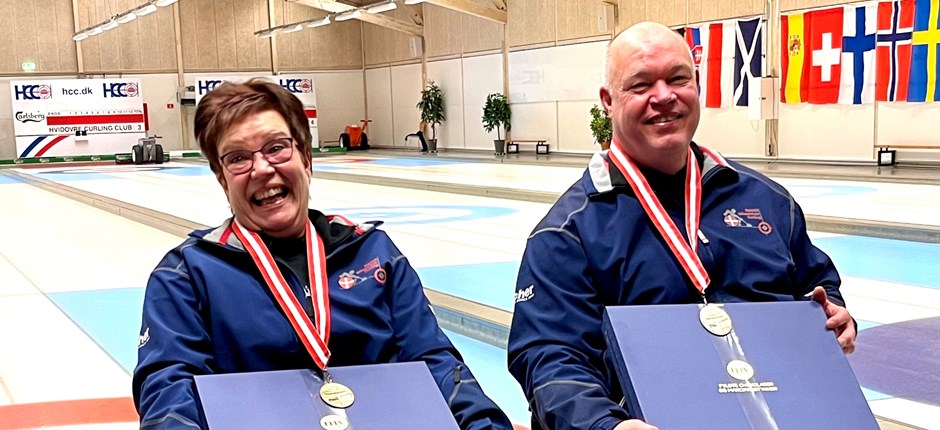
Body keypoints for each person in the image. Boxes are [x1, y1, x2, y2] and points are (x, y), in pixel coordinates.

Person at [506, 22, 857, 430]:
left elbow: (816, 285)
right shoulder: (568, 233)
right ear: (608, 100)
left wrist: (833, 314)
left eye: (678, 79)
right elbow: (550, 358)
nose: (664, 97)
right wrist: (606, 425)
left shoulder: (768, 200)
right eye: (640, 86)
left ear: (697, 84)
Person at [132, 79, 512, 430]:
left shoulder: (373, 253)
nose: (262, 168)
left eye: (277, 148)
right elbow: (170, 393)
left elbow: (435, 362)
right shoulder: (187, 275)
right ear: (221, 178)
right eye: (237, 158)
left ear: (306, 159)